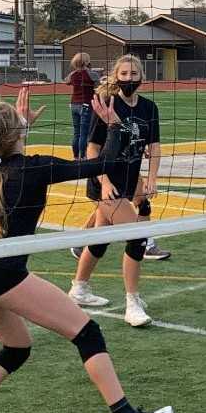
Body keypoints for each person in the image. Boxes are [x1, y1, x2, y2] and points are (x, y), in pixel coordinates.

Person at [0, 88, 172, 413]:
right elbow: (102, 165)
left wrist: (16, 127)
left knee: (16, 347)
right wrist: (113, 126)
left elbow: (1, 148)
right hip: (1, 272)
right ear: (14, 134)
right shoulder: (34, 167)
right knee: (87, 333)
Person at [68, 55, 160, 327]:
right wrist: (105, 182)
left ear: (141, 76)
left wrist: (151, 178)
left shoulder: (149, 108)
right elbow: (92, 149)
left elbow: (154, 146)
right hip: (105, 182)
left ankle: (79, 288)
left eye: (134, 73)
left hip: (130, 178)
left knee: (100, 237)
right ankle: (132, 302)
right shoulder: (108, 106)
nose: (129, 78)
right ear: (115, 76)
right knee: (136, 236)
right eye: (124, 73)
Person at [66, 52, 96, 159]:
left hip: (74, 104)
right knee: (85, 133)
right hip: (86, 104)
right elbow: (99, 84)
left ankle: (75, 156)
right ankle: (83, 156)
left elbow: (67, 81)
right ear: (87, 62)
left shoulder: (72, 74)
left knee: (76, 133)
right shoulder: (91, 74)